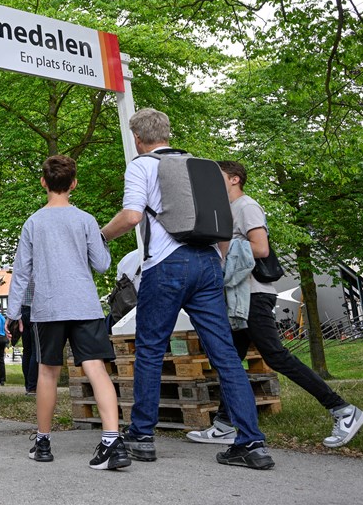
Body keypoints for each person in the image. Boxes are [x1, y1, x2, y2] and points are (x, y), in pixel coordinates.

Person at [99, 108, 274, 470]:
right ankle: (251, 443)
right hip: (208, 264)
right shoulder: (204, 166)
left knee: (150, 348)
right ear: (167, 133)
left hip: (167, 265)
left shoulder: (142, 166)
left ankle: (142, 437)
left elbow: (132, 216)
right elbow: (221, 223)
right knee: (225, 353)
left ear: (137, 138)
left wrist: (99, 236)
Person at [186, 161, 363, 448]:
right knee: (230, 360)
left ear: (234, 179)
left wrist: (221, 248)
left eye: (218, 176)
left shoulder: (246, 206)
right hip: (238, 296)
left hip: (254, 294)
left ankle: (343, 410)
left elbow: (260, 248)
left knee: (276, 356)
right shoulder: (228, 210)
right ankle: (223, 425)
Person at [7, 155, 129, 469]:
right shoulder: (86, 220)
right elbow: (102, 264)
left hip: (48, 307)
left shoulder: (33, 222)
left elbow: (21, 273)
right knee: (96, 369)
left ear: (43, 182)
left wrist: (12, 314)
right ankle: (112, 441)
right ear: (73, 183)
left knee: (47, 372)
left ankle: (43, 442)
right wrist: (100, 239)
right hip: (84, 305)